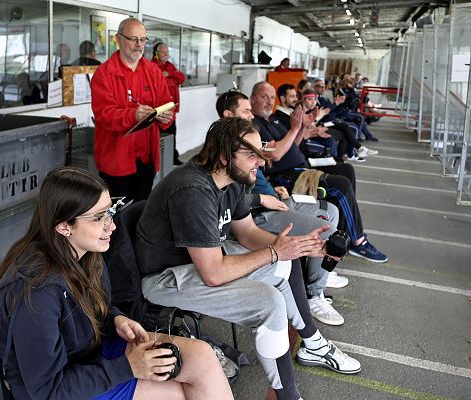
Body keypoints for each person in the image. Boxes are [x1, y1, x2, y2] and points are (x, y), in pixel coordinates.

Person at [136, 118, 362, 400]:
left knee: (284, 262)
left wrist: (297, 248)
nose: (261, 161)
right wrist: (274, 252)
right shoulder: (193, 189)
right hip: (166, 277)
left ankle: (313, 344)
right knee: (270, 302)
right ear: (224, 156)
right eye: (251, 154)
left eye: (260, 152)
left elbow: (247, 233)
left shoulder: (232, 178)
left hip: (199, 262)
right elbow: (213, 273)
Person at [0, 166, 233, 400]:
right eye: (98, 218)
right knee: (183, 394)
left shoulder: (85, 253)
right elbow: (47, 391)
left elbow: (85, 309)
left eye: (110, 211)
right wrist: (127, 367)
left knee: (202, 355)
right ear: (63, 227)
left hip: (89, 351)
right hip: (61, 387)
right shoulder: (36, 293)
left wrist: (115, 318)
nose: (112, 225)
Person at [216, 90, 349, 325]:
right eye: (246, 111)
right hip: (258, 213)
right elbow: (226, 197)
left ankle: (319, 275)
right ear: (228, 115)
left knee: (331, 211)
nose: (251, 115)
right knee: (325, 228)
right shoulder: (226, 148)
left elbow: (267, 164)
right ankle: (313, 295)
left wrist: (271, 188)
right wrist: (259, 199)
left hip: (275, 197)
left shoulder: (249, 136)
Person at [250, 81, 388, 263]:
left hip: (303, 166)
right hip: (287, 175)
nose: (269, 102)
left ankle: (346, 231)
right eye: (264, 97)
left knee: (346, 169)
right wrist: (294, 128)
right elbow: (275, 155)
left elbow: (295, 144)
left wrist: (301, 127)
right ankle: (357, 241)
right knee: (340, 186)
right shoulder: (254, 126)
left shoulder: (273, 120)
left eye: (271, 97)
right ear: (252, 99)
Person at [91, 18, 174, 201]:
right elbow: (104, 115)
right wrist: (133, 115)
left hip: (146, 159)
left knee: (141, 209)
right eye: (133, 39)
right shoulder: (104, 74)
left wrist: (166, 116)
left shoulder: (153, 71)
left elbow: (166, 103)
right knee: (118, 213)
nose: (139, 45)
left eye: (143, 39)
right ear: (119, 39)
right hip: (116, 162)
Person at [300, 88, 378, 162]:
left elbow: (325, 111)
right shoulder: (301, 111)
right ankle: (341, 158)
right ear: (303, 100)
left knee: (344, 131)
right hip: (310, 134)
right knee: (332, 138)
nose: (313, 102)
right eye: (310, 99)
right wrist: (318, 127)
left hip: (323, 125)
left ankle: (344, 157)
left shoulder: (317, 106)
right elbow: (307, 128)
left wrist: (336, 103)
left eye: (314, 99)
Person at [152, 42, 186, 165]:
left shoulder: (169, 66)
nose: (167, 54)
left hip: (171, 109)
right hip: (159, 110)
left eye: (167, 52)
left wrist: (169, 74)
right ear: (156, 53)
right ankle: (158, 161)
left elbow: (181, 78)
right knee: (157, 136)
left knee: (172, 134)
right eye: (163, 52)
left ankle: (172, 158)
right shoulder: (152, 66)